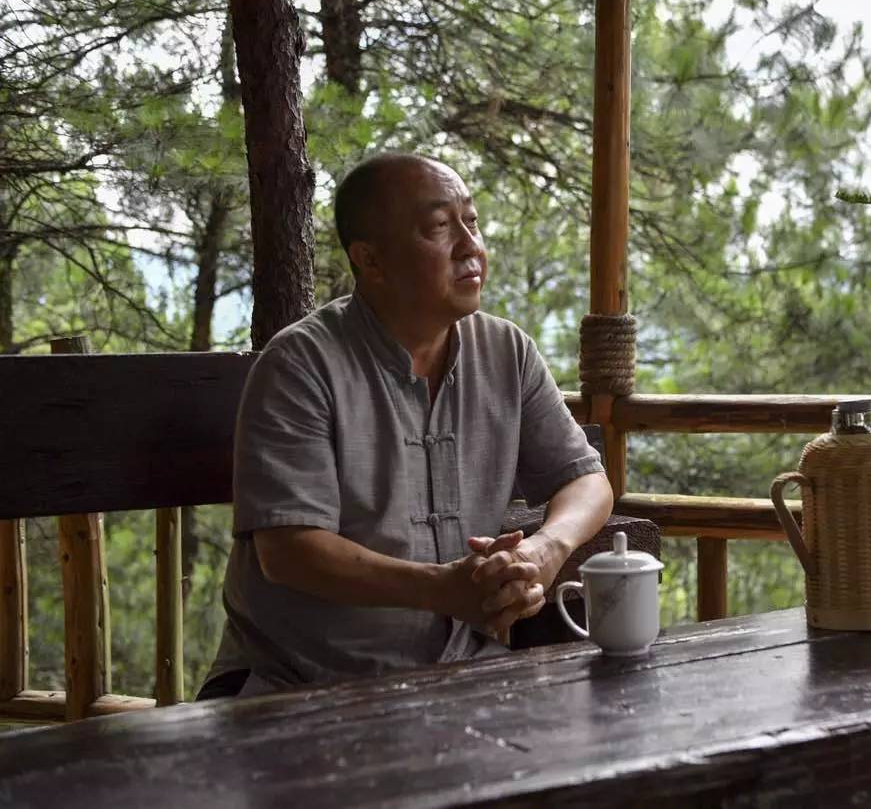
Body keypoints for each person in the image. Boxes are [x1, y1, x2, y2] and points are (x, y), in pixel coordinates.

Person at [201, 153, 613, 696]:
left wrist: (546, 551)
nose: (471, 245)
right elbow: (289, 550)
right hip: (301, 683)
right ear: (371, 261)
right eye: (440, 227)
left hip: (465, 672)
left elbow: (586, 480)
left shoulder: (506, 351)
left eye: (472, 220)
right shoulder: (301, 364)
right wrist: (443, 588)